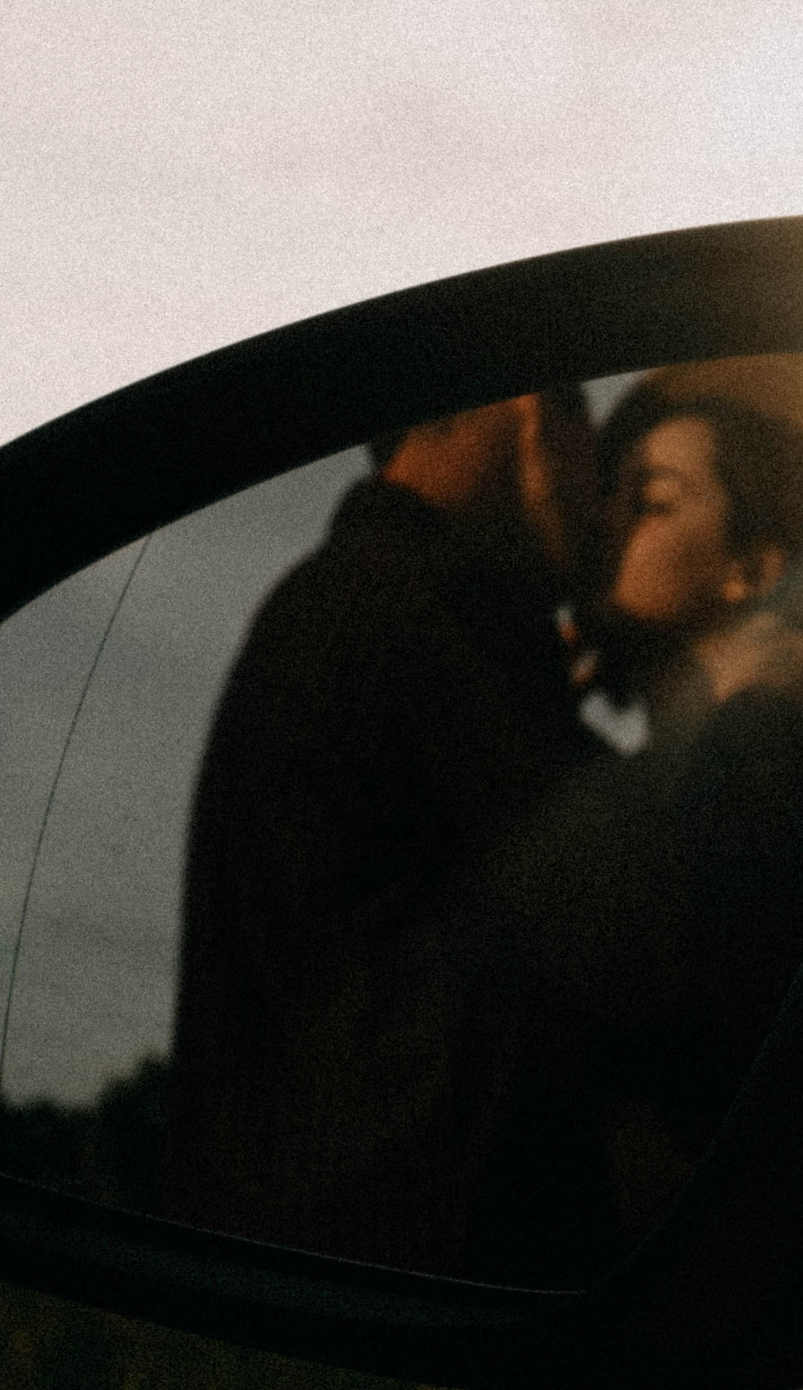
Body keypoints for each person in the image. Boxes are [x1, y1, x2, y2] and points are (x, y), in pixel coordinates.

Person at [160, 388, 608, 1275]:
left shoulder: (344, 593)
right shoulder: (436, 601)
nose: (603, 507)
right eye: (593, 445)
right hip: (417, 1260)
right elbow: (640, 923)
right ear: (531, 418)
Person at [497, 387, 803, 1241]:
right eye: (608, 496)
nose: (605, 521)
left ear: (752, 570)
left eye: (650, 501)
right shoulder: (581, 776)